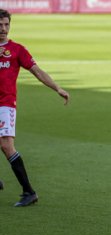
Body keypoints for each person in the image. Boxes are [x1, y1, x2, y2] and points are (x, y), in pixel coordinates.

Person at [0, 9, 69, 206]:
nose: (4, 29)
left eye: (6, 25)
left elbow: (37, 71)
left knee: (6, 145)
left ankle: (29, 192)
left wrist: (57, 88)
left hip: (5, 104)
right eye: (0, 25)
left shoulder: (17, 50)